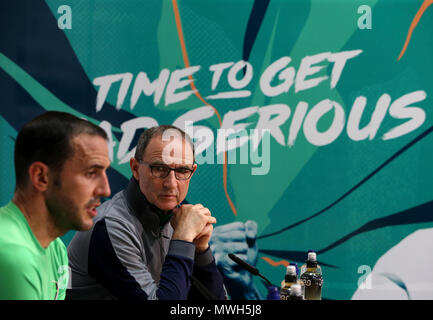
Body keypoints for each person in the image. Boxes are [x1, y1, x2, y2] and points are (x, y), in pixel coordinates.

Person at [66, 125, 226, 300]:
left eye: (182, 170)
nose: (171, 184)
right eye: (159, 169)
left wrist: (200, 250)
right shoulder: (110, 226)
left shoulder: (176, 220)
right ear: (135, 169)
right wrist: (182, 239)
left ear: (192, 172)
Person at [0, 111, 111, 300]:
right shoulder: (12, 255)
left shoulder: (57, 248)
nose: (105, 190)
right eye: (91, 173)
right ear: (41, 177)